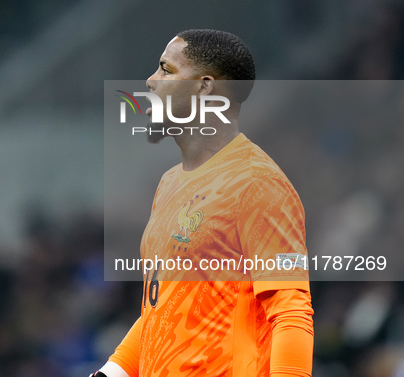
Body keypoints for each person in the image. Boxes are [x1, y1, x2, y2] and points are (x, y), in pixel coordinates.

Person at [92, 29, 314, 376]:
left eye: (166, 70)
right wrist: (112, 372)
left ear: (204, 87)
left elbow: (290, 313)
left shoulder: (258, 184)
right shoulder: (168, 183)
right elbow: (162, 309)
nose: (150, 82)